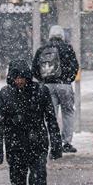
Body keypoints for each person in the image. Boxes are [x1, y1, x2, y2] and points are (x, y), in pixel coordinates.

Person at [32, 25, 80, 154]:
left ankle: (53, 141)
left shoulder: (42, 49)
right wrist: (68, 79)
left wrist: (43, 80)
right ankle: (67, 142)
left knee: (50, 115)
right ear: (62, 35)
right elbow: (75, 66)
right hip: (64, 85)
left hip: (47, 86)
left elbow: (34, 69)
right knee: (68, 112)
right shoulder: (67, 48)